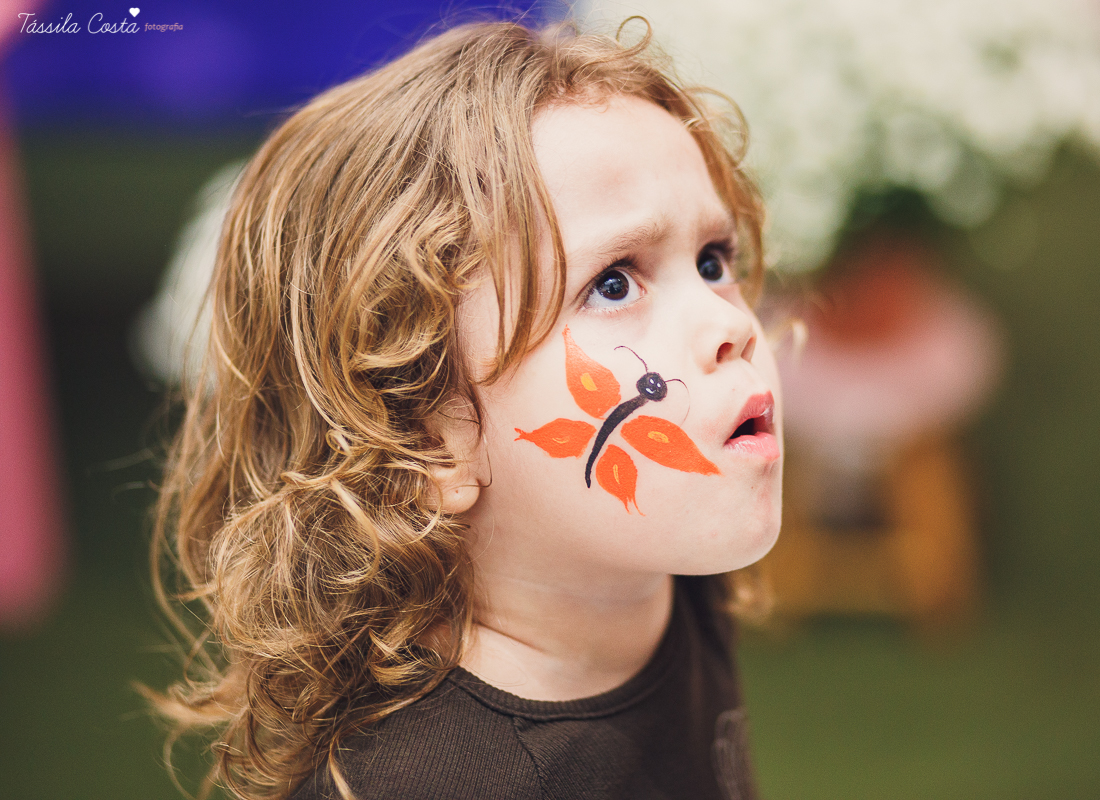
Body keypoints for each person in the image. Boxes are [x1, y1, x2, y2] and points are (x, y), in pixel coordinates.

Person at [149, 18, 783, 800]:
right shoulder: (429, 783)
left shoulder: (660, 571)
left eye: (713, 260)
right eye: (614, 282)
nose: (733, 324)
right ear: (428, 437)